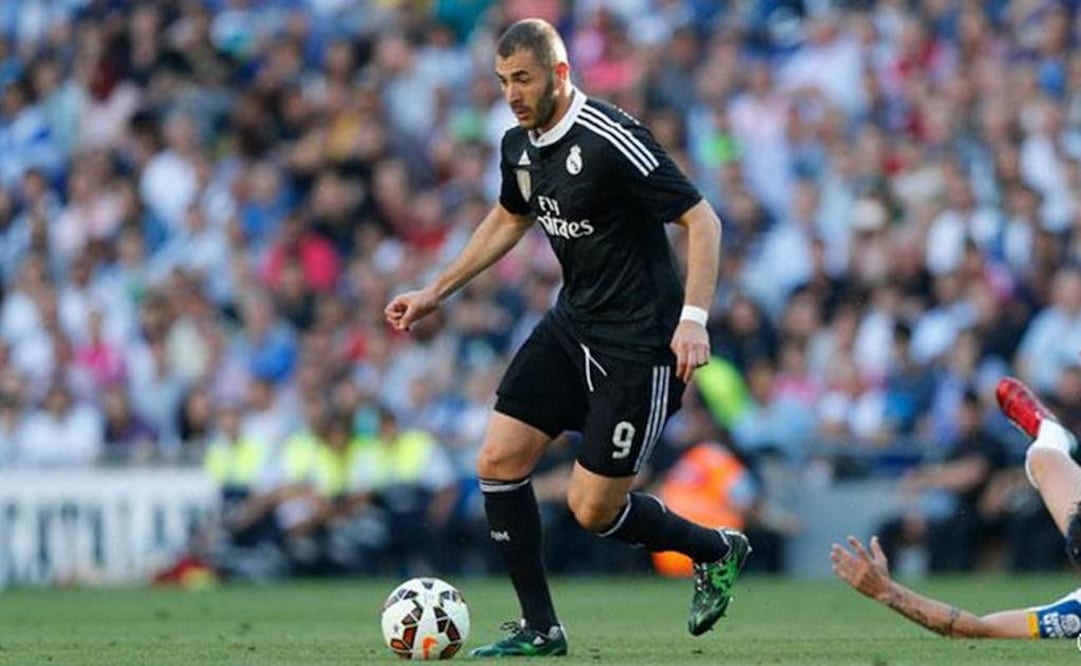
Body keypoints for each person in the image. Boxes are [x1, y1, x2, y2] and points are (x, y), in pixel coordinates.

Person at [384, 18, 751, 658]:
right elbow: (510, 216)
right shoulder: (517, 147)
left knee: (593, 509)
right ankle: (540, 629)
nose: (512, 94)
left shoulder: (611, 137)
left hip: (639, 346)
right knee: (497, 462)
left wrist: (693, 317)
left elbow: (702, 219)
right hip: (572, 324)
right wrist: (435, 292)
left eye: (523, 79)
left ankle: (715, 549)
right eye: (502, 82)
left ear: (558, 73)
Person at [831, 377, 1081, 638]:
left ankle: (1051, 434)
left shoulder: (1075, 615)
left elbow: (979, 628)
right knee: (1043, 459)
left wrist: (888, 593)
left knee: (1041, 458)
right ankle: (1051, 434)